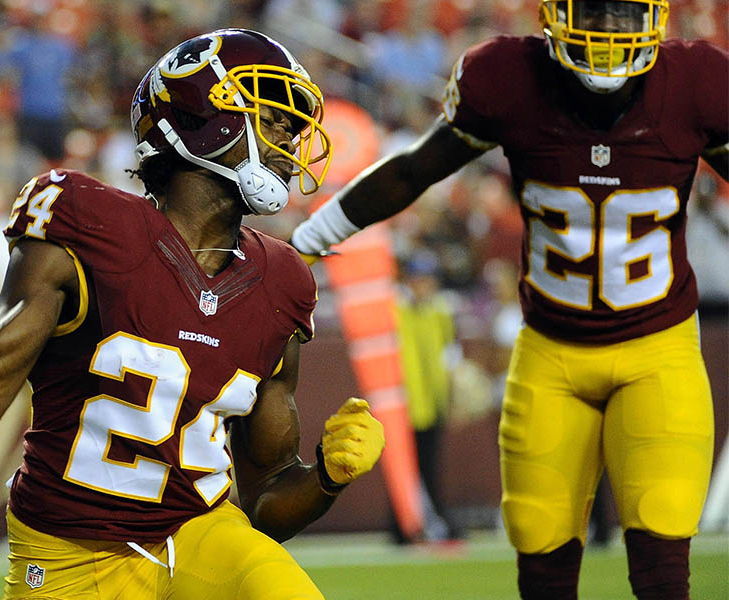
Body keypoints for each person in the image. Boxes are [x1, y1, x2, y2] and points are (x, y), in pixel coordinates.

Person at [0, 29, 384, 600]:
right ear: (203, 113)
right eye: (273, 120)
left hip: (199, 535)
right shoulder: (88, 224)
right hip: (70, 558)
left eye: (293, 129)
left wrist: (324, 476)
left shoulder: (282, 280)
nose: (289, 143)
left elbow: (269, 497)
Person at [291, 2, 726, 598]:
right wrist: (307, 240)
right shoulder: (509, 79)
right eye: (595, 13)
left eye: (625, 14)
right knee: (540, 551)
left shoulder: (697, 83)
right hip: (552, 351)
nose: (608, 32)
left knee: (662, 553)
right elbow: (417, 169)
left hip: (658, 348)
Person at [392, 249, 462, 542]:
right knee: (404, 467)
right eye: (418, 279)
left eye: (427, 279)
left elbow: (449, 356)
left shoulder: (439, 314)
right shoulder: (397, 311)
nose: (423, 285)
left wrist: (450, 395)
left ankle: (422, 522)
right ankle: (406, 524)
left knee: (428, 466)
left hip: (431, 401)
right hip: (404, 402)